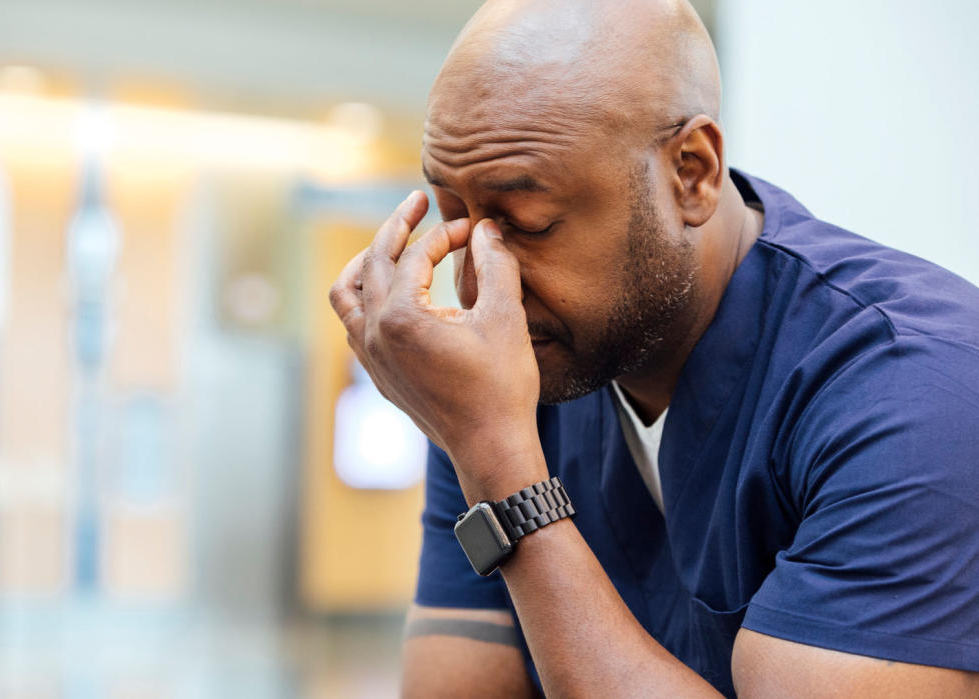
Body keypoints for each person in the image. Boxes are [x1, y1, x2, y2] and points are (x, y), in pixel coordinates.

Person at [327, 0, 979, 696]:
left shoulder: (917, 391)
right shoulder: (512, 377)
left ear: (691, 173)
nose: (480, 284)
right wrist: (483, 442)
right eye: (456, 219)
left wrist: (503, 470)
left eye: (530, 223)